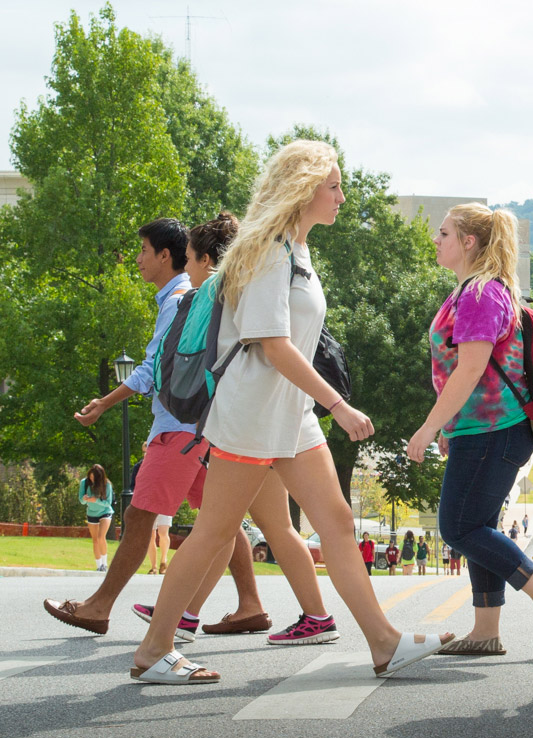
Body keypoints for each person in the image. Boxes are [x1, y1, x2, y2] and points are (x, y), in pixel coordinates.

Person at [128, 141, 451, 683]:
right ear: (304, 189)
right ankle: (154, 650)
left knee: (339, 524)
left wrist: (318, 404)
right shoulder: (268, 250)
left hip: (290, 414)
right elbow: (272, 344)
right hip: (253, 414)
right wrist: (339, 404)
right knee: (214, 530)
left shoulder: (297, 250)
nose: (342, 198)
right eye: (334, 187)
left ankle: (384, 642)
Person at [45, 218, 269, 639]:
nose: (138, 259)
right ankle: (250, 605)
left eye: (143, 251)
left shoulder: (181, 299)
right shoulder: (186, 296)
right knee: (222, 518)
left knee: (140, 511)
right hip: (204, 425)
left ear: (166, 256)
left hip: (180, 426)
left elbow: (155, 367)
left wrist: (105, 402)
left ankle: (99, 606)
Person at [130, 212, 338, 644]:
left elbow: (206, 362)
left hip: (247, 422)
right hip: (274, 417)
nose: (185, 268)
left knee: (217, 526)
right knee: (265, 526)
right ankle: (311, 617)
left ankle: (176, 623)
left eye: (188, 259)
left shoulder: (217, 289)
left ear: (207, 259)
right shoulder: (260, 273)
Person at [406, 202, 533, 658]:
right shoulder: (475, 292)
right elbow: (465, 370)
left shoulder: (479, 294)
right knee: (477, 525)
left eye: (444, 233)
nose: (436, 240)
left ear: (469, 242)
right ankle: (485, 630)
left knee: (458, 527)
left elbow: (471, 368)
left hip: (494, 430)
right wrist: (449, 426)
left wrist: (429, 425)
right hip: (483, 429)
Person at [78, 465, 114, 572]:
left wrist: (96, 500)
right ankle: (98, 565)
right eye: (90, 477)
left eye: (94, 478)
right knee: (95, 540)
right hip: (92, 513)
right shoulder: (84, 483)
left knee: (101, 537)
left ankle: (105, 563)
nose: (92, 480)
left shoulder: (106, 484)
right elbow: (81, 500)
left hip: (105, 512)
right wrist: (85, 499)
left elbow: (108, 503)